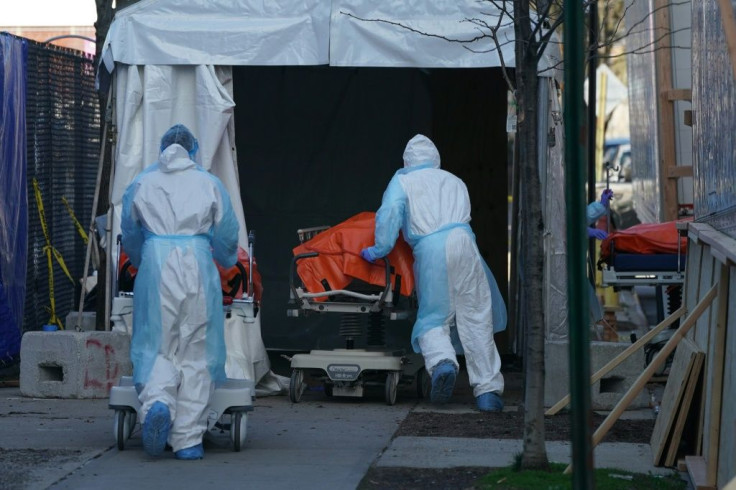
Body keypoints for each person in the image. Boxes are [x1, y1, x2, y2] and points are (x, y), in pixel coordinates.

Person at [360, 134, 506, 412]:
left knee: (434, 317)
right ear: (436, 158)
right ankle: (488, 392)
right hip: (466, 245)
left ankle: (442, 362)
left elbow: (390, 213)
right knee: (476, 316)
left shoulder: (402, 181)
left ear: (406, 161)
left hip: (432, 251)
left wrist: (379, 249)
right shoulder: (455, 181)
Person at [121, 124, 239, 460]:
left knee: (157, 346)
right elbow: (227, 233)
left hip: (156, 263)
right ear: (192, 150)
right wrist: (224, 257)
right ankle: (188, 440)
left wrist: (141, 257)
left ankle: (158, 403)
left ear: (163, 149)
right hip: (198, 264)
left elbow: (130, 232)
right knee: (196, 351)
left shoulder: (143, 182)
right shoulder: (209, 182)